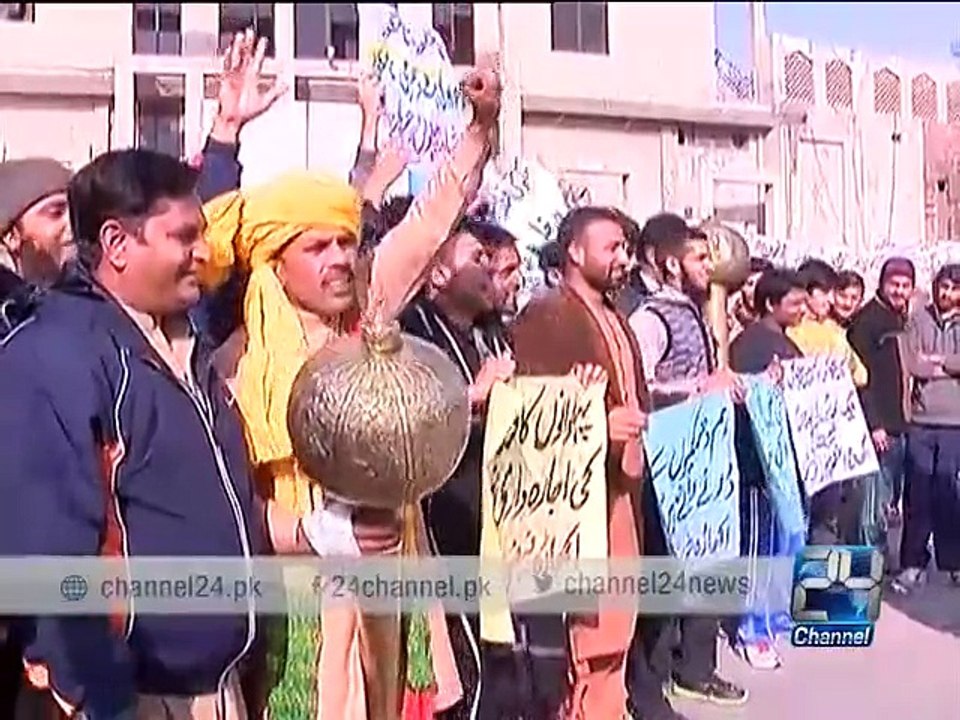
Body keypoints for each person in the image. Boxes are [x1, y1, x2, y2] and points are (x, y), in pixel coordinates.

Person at [202, 67, 501, 719]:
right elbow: (231, 503)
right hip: (298, 603)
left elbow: (430, 224)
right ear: (276, 262)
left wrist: (479, 130)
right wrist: (314, 531)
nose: (340, 258)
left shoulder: (371, 312)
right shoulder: (232, 367)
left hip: (392, 594)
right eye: (319, 246)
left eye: (346, 242)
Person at [509, 206, 649, 720]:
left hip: (622, 494)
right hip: (580, 504)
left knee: (615, 628)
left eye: (626, 249)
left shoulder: (615, 316)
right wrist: (596, 425)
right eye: (612, 247)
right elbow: (528, 415)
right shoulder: (548, 314)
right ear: (574, 251)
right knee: (584, 637)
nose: (624, 259)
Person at [399, 216, 525, 719]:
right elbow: (406, 418)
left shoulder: (490, 333)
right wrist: (473, 396)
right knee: (461, 661)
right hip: (444, 519)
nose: (490, 269)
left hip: (496, 517)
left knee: (502, 656)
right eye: (478, 259)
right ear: (436, 277)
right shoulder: (413, 331)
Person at [626, 214, 747, 718]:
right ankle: (646, 689)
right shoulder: (651, 319)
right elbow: (639, 384)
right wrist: (696, 390)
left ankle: (694, 670)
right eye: (700, 259)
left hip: (701, 468)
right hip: (665, 471)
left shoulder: (701, 312)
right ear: (673, 264)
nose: (709, 266)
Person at [893, 263, 960, 593]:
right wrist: (946, 365)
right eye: (942, 286)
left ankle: (953, 561)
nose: (946, 294)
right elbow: (913, 362)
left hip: (954, 422)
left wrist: (939, 361)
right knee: (917, 493)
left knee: (949, 492)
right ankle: (912, 563)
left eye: (953, 288)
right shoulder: (918, 319)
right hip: (921, 420)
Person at [847, 258, 915, 532]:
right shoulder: (867, 322)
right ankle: (870, 562)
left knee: (891, 500)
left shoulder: (902, 318)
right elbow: (860, 379)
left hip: (902, 424)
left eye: (905, 285)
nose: (899, 291)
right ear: (882, 284)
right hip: (880, 427)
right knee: (874, 500)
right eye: (894, 284)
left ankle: (883, 559)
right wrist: (874, 424)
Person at [787, 260, 868, 386]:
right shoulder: (791, 330)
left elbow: (861, 376)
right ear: (806, 293)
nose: (831, 300)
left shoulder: (831, 327)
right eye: (825, 292)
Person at [730, 257, 774, 339]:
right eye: (750, 284)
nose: (755, 290)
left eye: (760, 284)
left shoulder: (773, 316)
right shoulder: (728, 316)